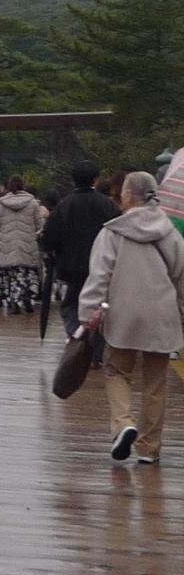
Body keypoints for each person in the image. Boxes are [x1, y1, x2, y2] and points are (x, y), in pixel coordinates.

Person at [79, 172, 184, 463]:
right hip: (162, 314)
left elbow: (99, 276)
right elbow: (181, 278)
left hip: (123, 313)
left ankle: (124, 423)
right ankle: (149, 447)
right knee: (155, 382)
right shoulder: (170, 232)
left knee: (116, 371)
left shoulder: (113, 232)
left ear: (127, 195)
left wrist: (88, 311)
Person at [41, 160, 120, 361]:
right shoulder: (108, 205)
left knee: (72, 306)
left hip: (71, 265)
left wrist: (51, 249)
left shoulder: (64, 205)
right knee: (100, 308)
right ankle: (96, 351)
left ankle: (77, 338)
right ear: (96, 179)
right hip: (101, 265)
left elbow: (49, 237)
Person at [0, 175, 44, 314]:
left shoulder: (1, 204)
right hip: (28, 247)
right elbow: (40, 226)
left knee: (10, 276)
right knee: (26, 274)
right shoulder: (33, 203)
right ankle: (27, 297)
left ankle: (13, 299)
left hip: (6, 247)